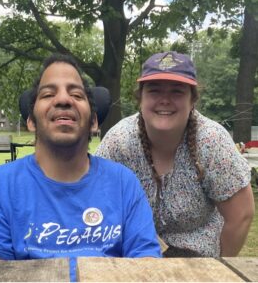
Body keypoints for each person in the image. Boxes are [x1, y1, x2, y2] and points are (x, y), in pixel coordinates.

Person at [0, 54, 162, 281]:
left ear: (94, 122)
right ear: (31, 121)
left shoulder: (123, 183)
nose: (63, 100)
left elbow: (147, 265)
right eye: (48, 94)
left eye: (76, 94)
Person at [96, 51, 255, 257]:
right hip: (132, 256)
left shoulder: (212, 141)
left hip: (199, 260)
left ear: (192, 101)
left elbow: (241, 215)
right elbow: (93, 202)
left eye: (177, 92)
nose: (165, 100)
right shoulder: (119, 141)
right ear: (140, 99)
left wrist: (219, 269)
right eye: (154, 91)